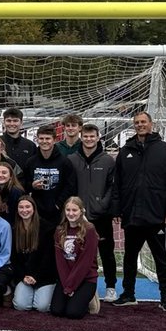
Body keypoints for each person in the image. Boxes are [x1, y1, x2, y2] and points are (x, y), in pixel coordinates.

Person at [110, 111, 166, 312]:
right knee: (129, 257)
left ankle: (165, 298)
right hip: (132, 215)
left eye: (143, 122)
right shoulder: (125, 151)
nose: (140, 125)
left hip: (156, 216)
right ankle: (128, 294)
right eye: (136, 123)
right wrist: (117, 208)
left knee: (160, 259)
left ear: (151, 124)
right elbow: (117, 184)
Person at [69, 122, 118, 302]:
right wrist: (75, 209)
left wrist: (102, 206)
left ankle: (111, 287)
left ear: (98, 138)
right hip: (77, 217)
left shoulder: (107, 160)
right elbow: (70, 186)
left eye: (92, 136)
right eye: (86, 136)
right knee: (77, 253)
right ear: (81, 137)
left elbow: (112, 187)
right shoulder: (73, 159)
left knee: (106, 252)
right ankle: (79, 286)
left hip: (101, 216)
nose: (89, 139)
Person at [52, 196, 100, 319]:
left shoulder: (89, 230)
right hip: (66, 278)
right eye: (68, 210)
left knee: (73, 313)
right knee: (56, 310)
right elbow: (60, 262)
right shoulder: (60, 230)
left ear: (81, 211)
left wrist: (71, 287)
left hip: (86, 279)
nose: (71, 213)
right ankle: (74, 297)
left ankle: (91, 298)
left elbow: (85, 263)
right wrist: (67, 285)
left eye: (74, 210)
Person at [20, 124, 74, 231]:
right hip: (37, 212)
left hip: (57, 212)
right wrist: (32, 186)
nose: (44, 141)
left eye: (48, 138)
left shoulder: (64, 162)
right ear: (37, 139)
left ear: (54, 140)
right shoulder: (31, 162)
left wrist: (58, 204)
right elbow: (24, 183)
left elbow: (70, 186)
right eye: (41, 138)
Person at [9, 195, 57, 313]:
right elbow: (14, 259)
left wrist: (36, 276)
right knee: (21, 306)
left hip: (44, 276)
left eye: (27, 207)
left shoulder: (47, 229)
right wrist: (23, 277)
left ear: (34, 209)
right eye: (21, 207)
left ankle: (47, 291)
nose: (24, 210)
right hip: (25, 277)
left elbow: (49, 258)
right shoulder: (14, 229)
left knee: (42, 307)